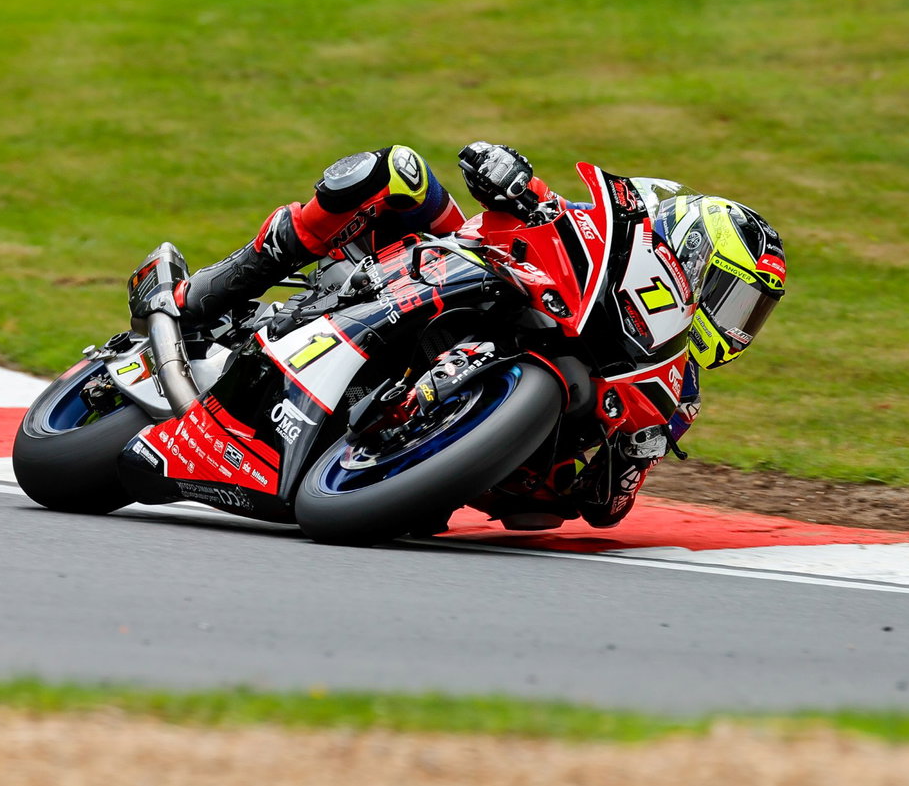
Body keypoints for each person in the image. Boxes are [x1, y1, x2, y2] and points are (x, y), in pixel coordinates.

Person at [174, 142, 786, 528]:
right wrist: (507, 174)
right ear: (697, 253)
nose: (736, 324)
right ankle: (216, 289)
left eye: (751, 313)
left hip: (489, 473)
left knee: (535, 514)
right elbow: (512, 186)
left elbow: (607, 511)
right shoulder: (604, 235)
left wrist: (633, 458)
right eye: (735, 300)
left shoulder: (677, 388)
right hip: (449, 268)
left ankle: (402, 441)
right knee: (395, 171)